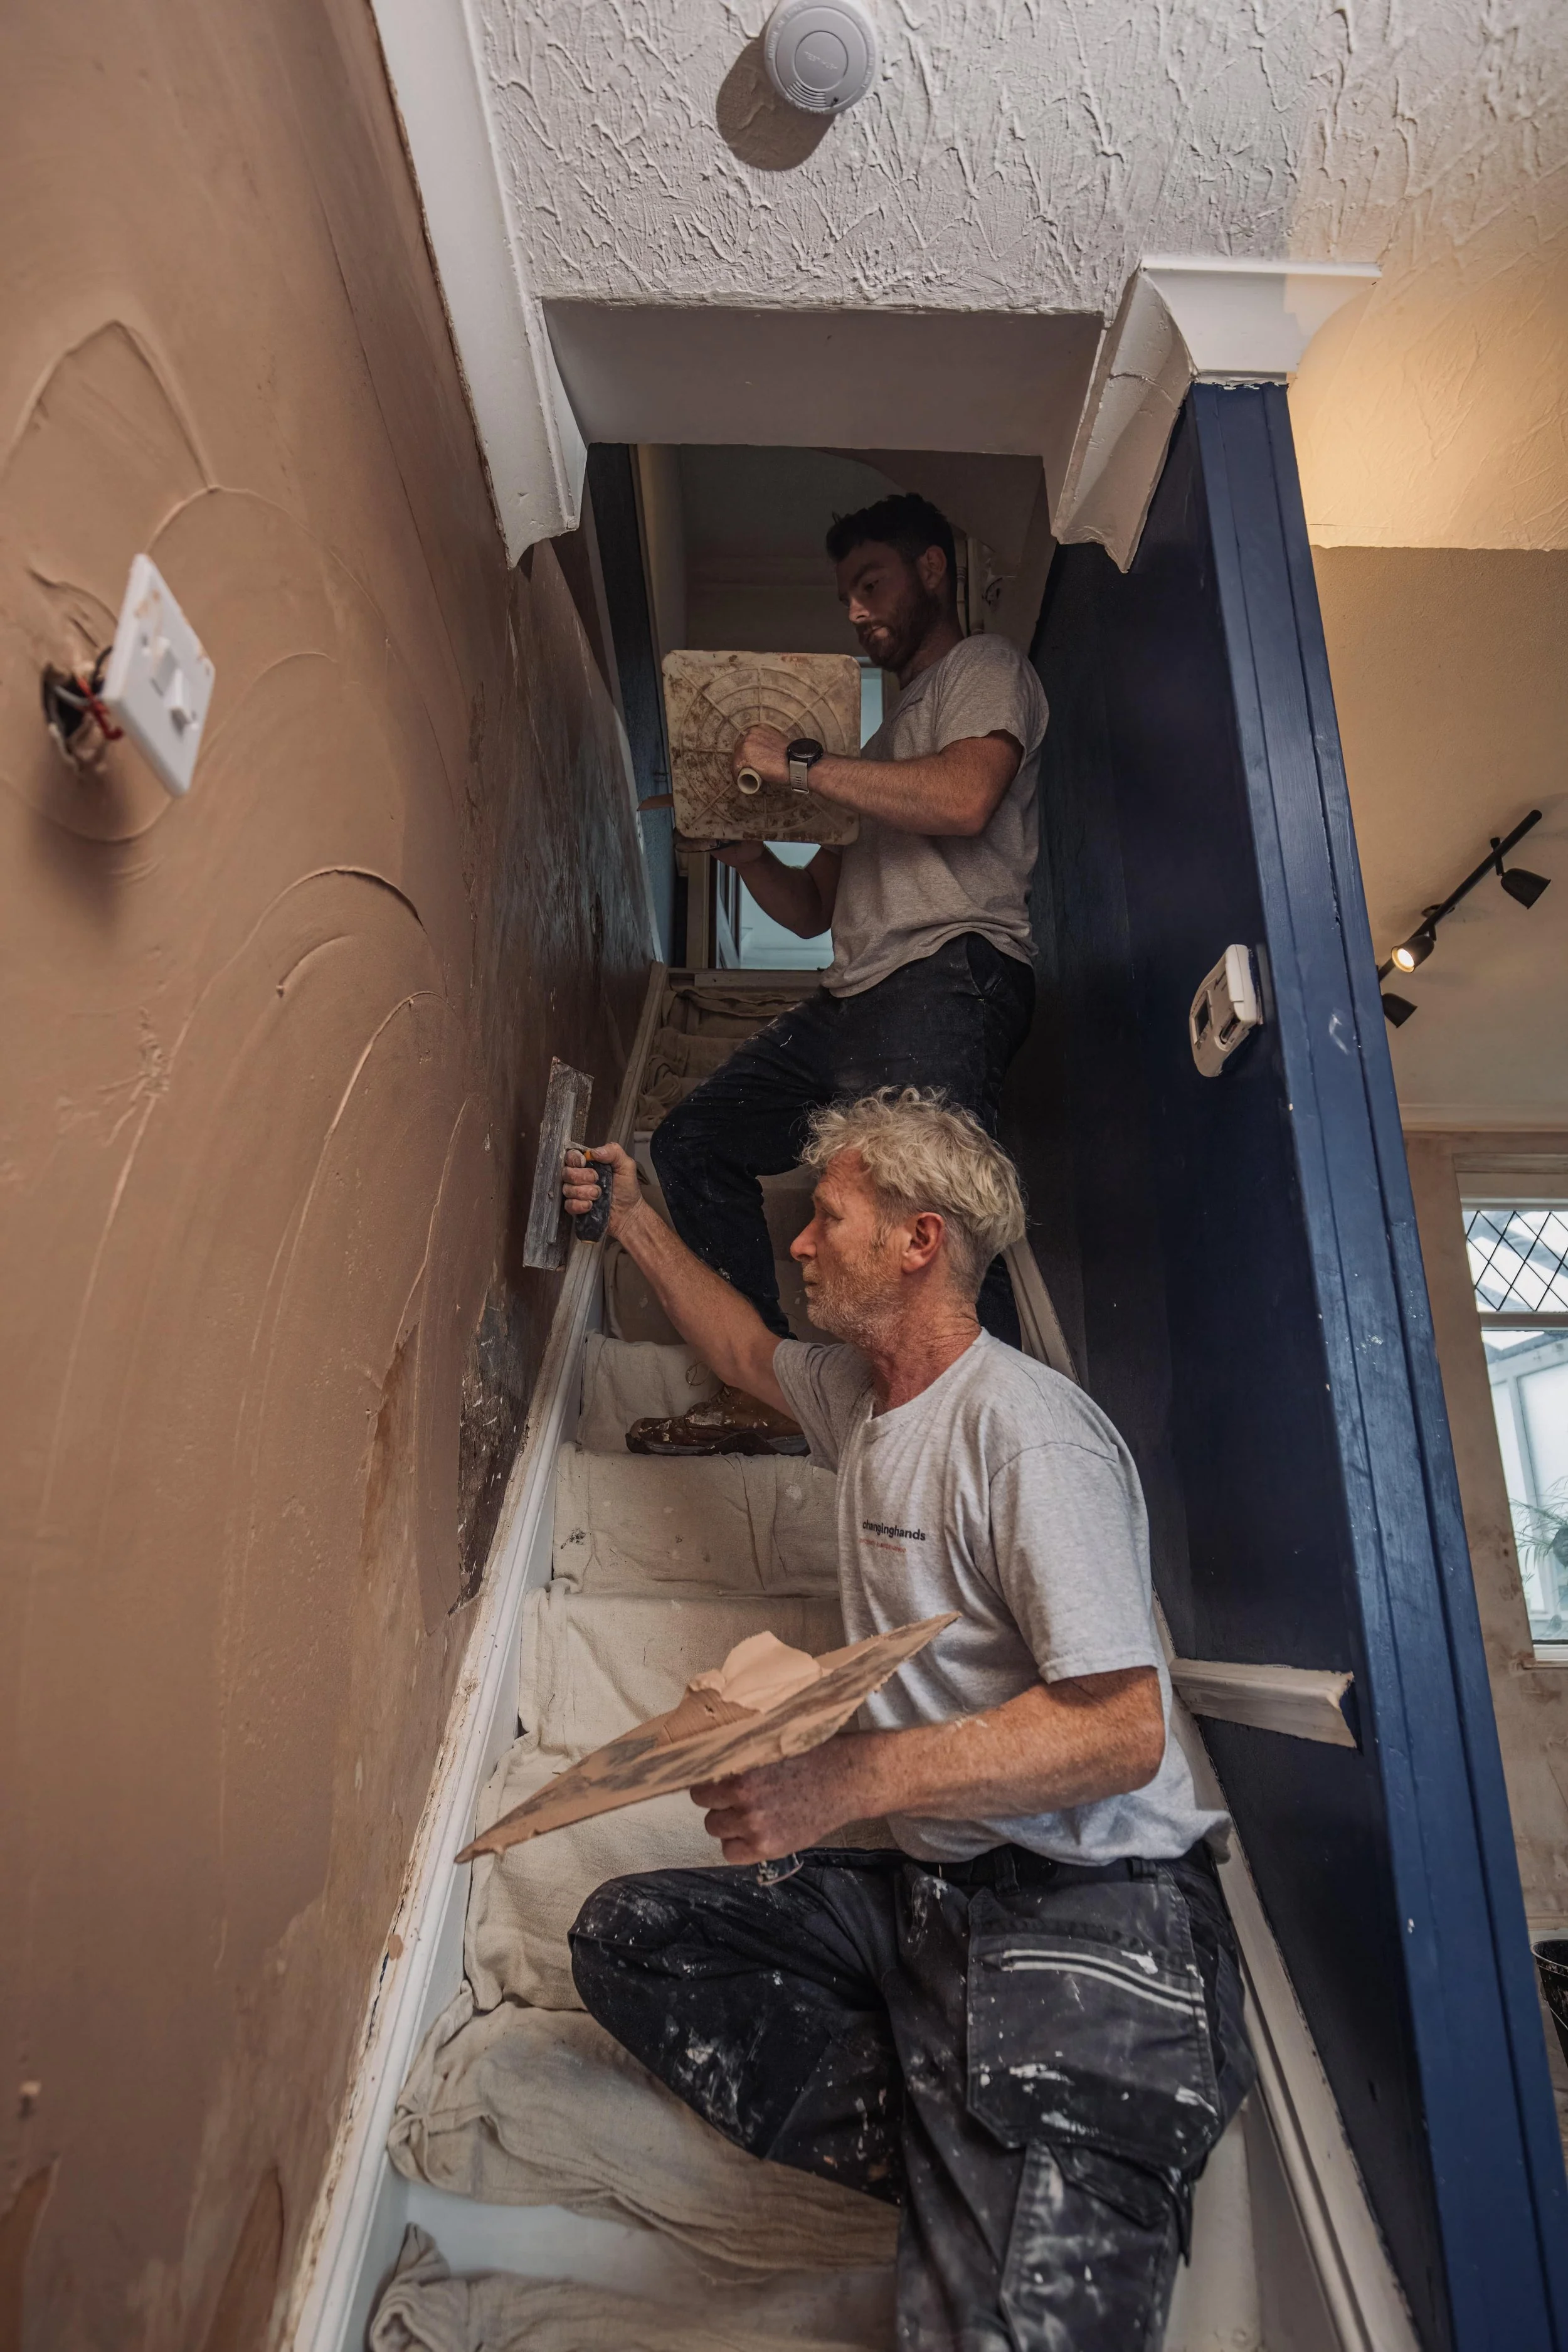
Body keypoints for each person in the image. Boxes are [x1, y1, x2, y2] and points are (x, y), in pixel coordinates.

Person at [563, 1093, 1254, 2352]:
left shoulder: (1024, 1433)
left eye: (827, 1218)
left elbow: (1121, 1732)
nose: (800, 1242)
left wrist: (847, 1779)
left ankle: (1028, 2147)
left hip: (1089, 1904)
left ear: (917, 1241)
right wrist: (633, 1221)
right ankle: (969, 2126)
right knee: (636, 1939)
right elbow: (741, 1352)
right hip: (937, 1902)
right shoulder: (864, 1398)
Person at [637, 490, 1049, 1457]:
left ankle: (997, 1459)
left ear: (932, 570)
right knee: (694, 1141)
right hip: (854, 996)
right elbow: (815, 907)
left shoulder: (984, 669)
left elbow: (967, 796)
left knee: (933, 1229)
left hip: (946, 975)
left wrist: (802, 763)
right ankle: (766, 1394)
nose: (858, 612)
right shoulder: (873, 753)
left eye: (872, 583)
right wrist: (747, 856)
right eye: (846, 597)